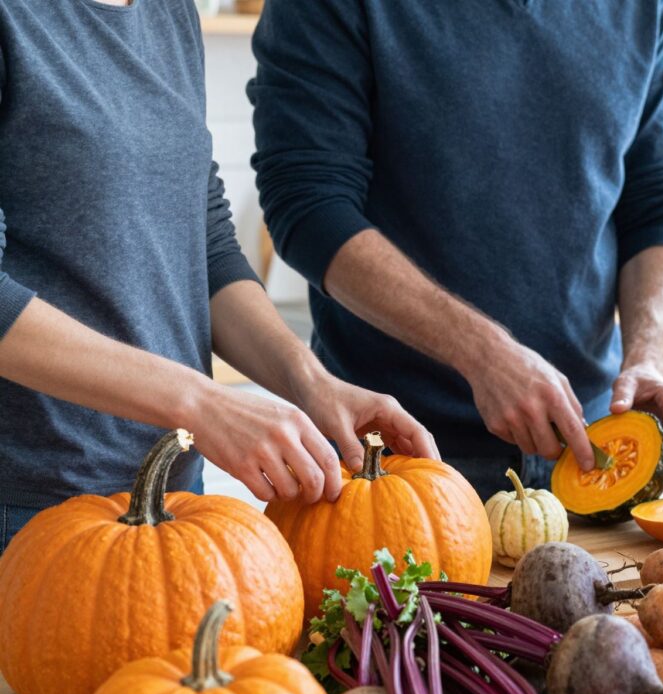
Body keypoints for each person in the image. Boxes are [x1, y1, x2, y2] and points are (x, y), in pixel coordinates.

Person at [0, 0, 436, 553]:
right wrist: (201, 404)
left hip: (174, 499)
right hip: (31, 512)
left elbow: (203, 244)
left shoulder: (168, 11)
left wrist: (311, 383)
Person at [248, 0, 663, 497]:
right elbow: (310, 207)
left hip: (592, 451)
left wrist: (648, 359)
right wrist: (483, 354)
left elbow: (660, 205)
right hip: (396, 458)